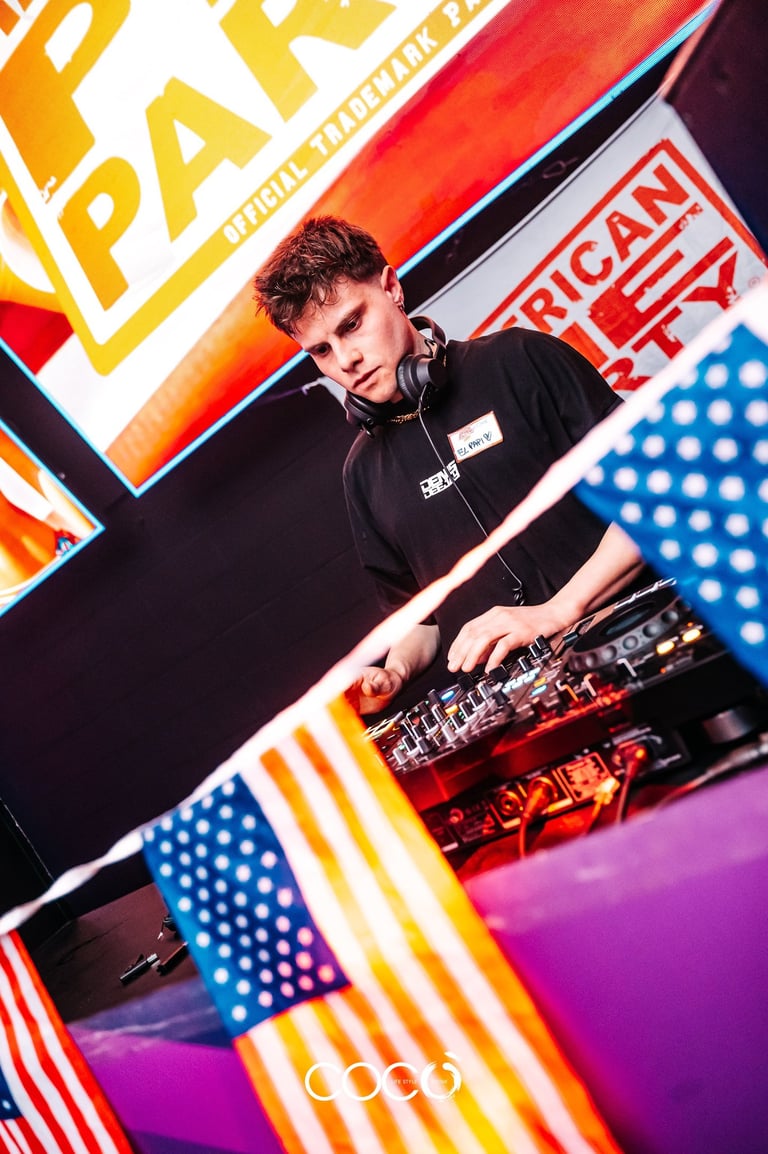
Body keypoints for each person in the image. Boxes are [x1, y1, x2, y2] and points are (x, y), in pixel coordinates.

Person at [253, 216, 646, 715]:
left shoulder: (520, 359)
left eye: (351, 325)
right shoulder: (362, 474)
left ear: (391, 288)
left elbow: (651, 495)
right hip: (532, 709)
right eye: (321, 350)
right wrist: (396, 671)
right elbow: (421, 616)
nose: (345, 360)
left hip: (637, 633)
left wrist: (558, 610)